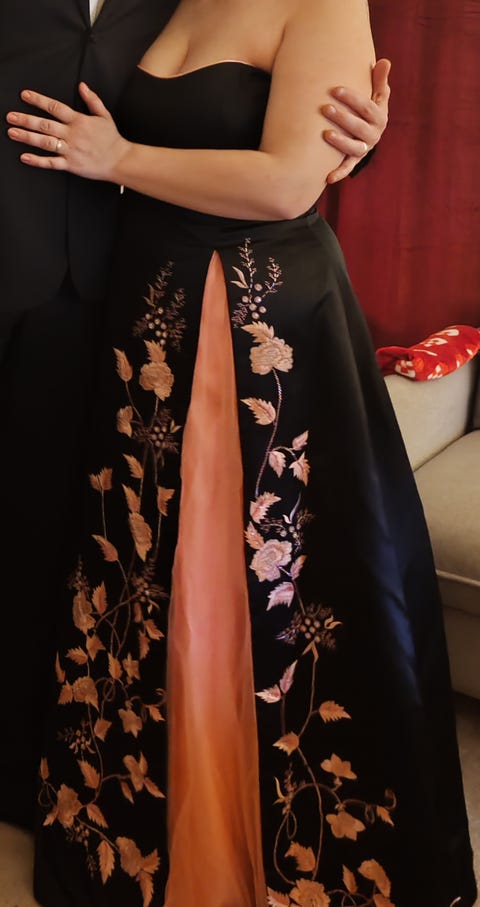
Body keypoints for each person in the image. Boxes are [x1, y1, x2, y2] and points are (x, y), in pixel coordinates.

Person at [7, 3, 476, 907]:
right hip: (151, 315)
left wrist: (118, 159)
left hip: (257, 325)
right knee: (152, 576)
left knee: (255, 589)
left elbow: (289, 180)